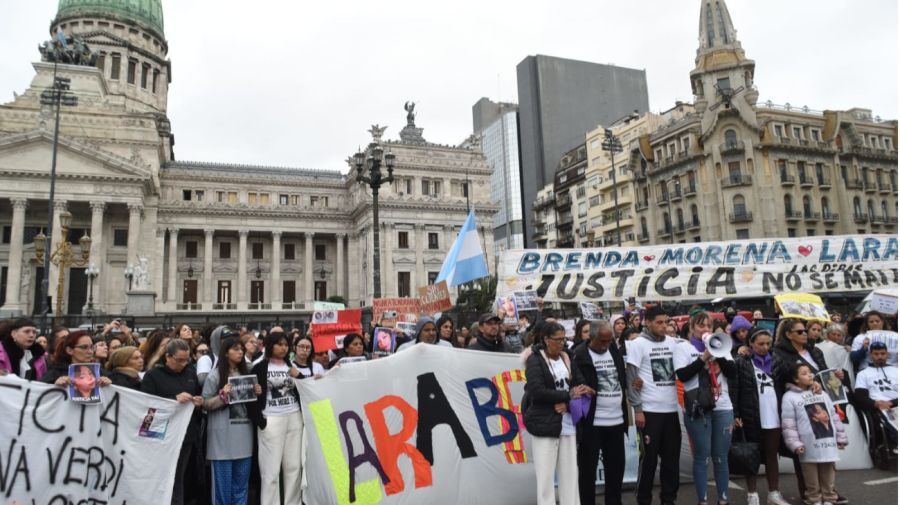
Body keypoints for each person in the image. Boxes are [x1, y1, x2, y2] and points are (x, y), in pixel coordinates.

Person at [523, 322, 592, 505]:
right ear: (546, 340)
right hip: (545, 423)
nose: (562, 343)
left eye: (564, 339)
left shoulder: (567, 357)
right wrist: (567, 395)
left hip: (568, 423)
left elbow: (580, 385)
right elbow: (536, 391)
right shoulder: (534, 360)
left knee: (570, 473)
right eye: (558, 340)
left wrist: (570, 403)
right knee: (545, 477)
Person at [674, 311, 736, 505]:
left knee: (721, 457)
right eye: (701, 326)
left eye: (708, 326)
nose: (705, 330)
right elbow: (683, 375)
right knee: (702, 457)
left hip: (723, 406)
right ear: (691, 329)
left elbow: (733, 373)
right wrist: (703, 358)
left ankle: (723, 500)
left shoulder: (720, 345)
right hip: (698, 407)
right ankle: (703, 500)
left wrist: (718, 354)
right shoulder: (683, 348)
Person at [626, 305, 681, 505]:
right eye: (659, 322)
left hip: (671, 411)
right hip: (649, 412)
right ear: (647, 322)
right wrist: (638, 409)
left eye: (666, 322)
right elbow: (631, 378)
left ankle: (669, 499)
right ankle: (643, 500)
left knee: (671, 461)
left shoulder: (674, 342)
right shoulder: (638, 344)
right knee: (648, 462)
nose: (664, 326)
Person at [732, 329, 791, 505]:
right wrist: (736, 414)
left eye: (768, 343)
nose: (765, 347)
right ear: (750, 343)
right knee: (751, 455)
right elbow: (734, 390)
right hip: (750, 415)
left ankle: (773, 493)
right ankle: (752, 494)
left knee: (772, 455)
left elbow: (790, 378)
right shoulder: (742, 362)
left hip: (773, 414)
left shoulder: (777, 361)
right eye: (760, 344)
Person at [141, 339, 203, 505]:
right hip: (160, 436)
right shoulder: (153, 375)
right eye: (179, 360)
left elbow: (198, 395)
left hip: (186, 435)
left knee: (178, 479)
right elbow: (146, 406)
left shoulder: (190, 373)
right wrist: (173, 399)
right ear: (167, 357)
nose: (183, 364)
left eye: (187, 359)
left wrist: (198, 402)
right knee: (162, 479)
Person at [573, 320, 627, 505]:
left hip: (616, 421)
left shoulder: (613, 350)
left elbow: (620, 376)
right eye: (602, 341)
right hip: (591, 424)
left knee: (616, 471)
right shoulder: (579, 355)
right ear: (591, 337)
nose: (606, 345)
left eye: (609, 341)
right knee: (587, 473)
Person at [203, 336, 262, 505]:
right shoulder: (215, 375)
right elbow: (205, 403)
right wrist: (222, 396)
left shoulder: (248, 373)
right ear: (226, 353)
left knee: (240, 488)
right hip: (221, 443)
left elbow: (254, 404)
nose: (240, 352)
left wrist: (257, 392)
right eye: (236, 349)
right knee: (222, 491)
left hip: (244, 440)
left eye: (241, 349)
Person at [249, 332, 304, 505]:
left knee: (294, 467)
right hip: (271, 419)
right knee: (270, 471)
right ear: (270, 345)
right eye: (279, 344)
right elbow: (251, 397)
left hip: (294, 417)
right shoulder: (259, 367)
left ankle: (292, 502)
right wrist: (261, 421)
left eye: (286, 344)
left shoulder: (291, 365)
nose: (283, 348)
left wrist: (299, 376)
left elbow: (306, 388)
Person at [781, 363, 847, 505]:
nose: (810, 375)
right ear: (795, 379)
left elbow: (833, 416)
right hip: (808, 444)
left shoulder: (822, 393)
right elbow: (789, 424)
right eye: (804, 373)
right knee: (811, 479)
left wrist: (841, 437)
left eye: (810, 372)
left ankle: (829, 498)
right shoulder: (789, 397)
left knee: (828, 475)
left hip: (828, 442)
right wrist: (795, 443)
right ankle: (814, 499)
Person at [854, 341, 898, 449]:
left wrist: (892, 402)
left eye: (883, 354)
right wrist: (876, 404)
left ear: (887, 354)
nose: (880, 357)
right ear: (870, 355)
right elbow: (860, 397)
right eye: (876, 354)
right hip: (878, 408)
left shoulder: (897, 371)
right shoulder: (863, 374)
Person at [42, 331, 111, 386]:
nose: (90, 351)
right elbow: (38, 393)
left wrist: (110, 383)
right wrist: (54, 386)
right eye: (84, 347)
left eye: (92, 347)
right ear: (69, 350)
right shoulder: (55, 373)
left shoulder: (99, 372)